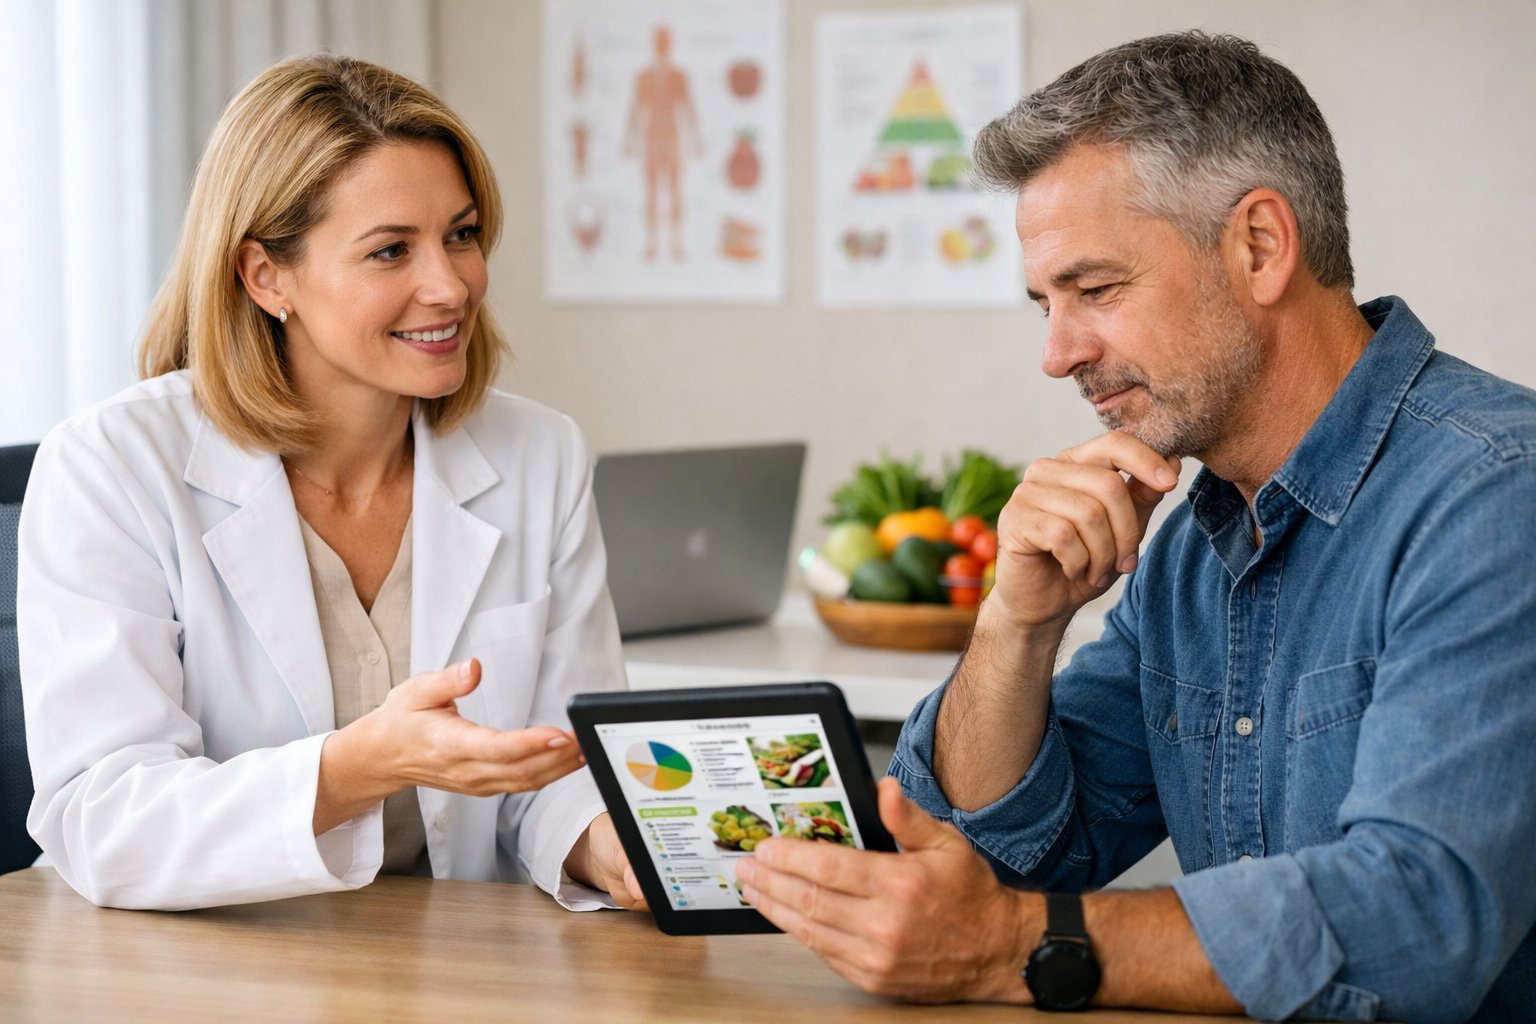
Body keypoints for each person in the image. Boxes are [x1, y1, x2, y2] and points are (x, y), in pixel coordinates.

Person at [735, 31, 1536, 1022]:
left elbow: (1416, 923)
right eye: (1045, 304)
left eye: (1096, 290)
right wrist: (1014, 625)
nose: (1058, 352)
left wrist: (1013, 947)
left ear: (1259, 245)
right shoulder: (1195, 545)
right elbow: (999, 853)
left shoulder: (1498, 498)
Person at [18, 55, 645, 914]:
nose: (451, 285)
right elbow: (107, 818)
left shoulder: (543, 454)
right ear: (265, 276)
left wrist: (607, 847)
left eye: (461, 235)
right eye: (392, 250)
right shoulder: (112, 467)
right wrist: (360, 768)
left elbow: (557, 766)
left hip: (456, 968)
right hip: (198, 968)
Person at [624, 24, 702, 262]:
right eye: (659, 41)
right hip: (651, 135)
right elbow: (635, 109)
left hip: (671, 135)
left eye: (665, 41)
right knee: (651, 192)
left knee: (675, 190)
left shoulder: (679, 76)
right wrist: (629, 139)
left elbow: (688, 107)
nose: (662, 46)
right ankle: (652, 244)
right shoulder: (644, 76)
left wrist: (695, 138)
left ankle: (676, 244)